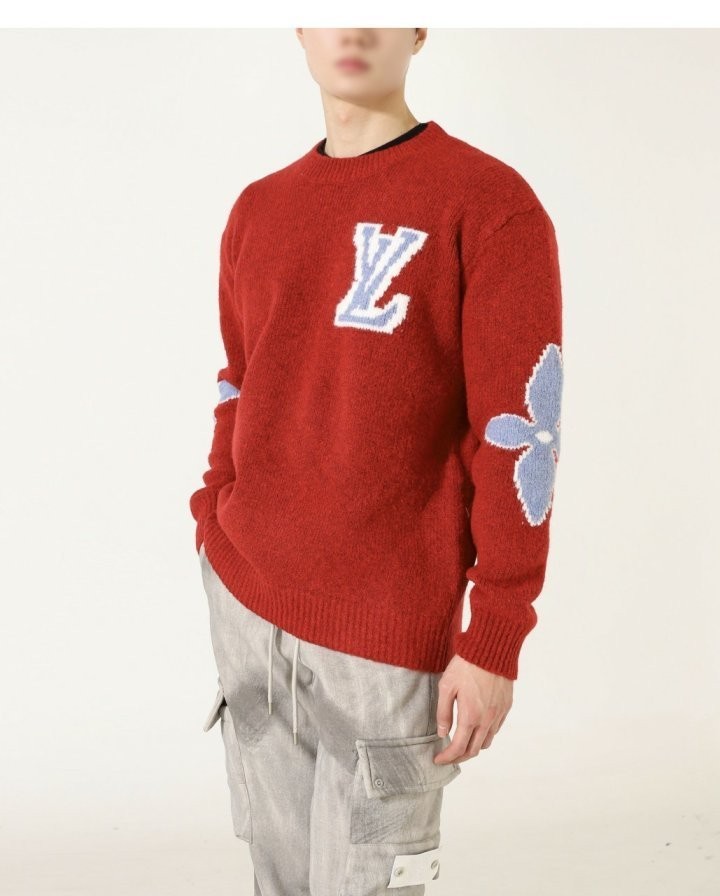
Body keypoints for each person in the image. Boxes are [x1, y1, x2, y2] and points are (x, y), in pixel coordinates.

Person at [190, 27, 563, 895]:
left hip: (387, 636)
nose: (354, 29)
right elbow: (239, 380)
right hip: (249, 604)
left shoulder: (489, 204)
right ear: (299, 26)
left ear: (421, 28)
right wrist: (214, 514)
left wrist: (496, 632)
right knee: (277, 882)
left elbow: (522, 429)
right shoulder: (258, 209)